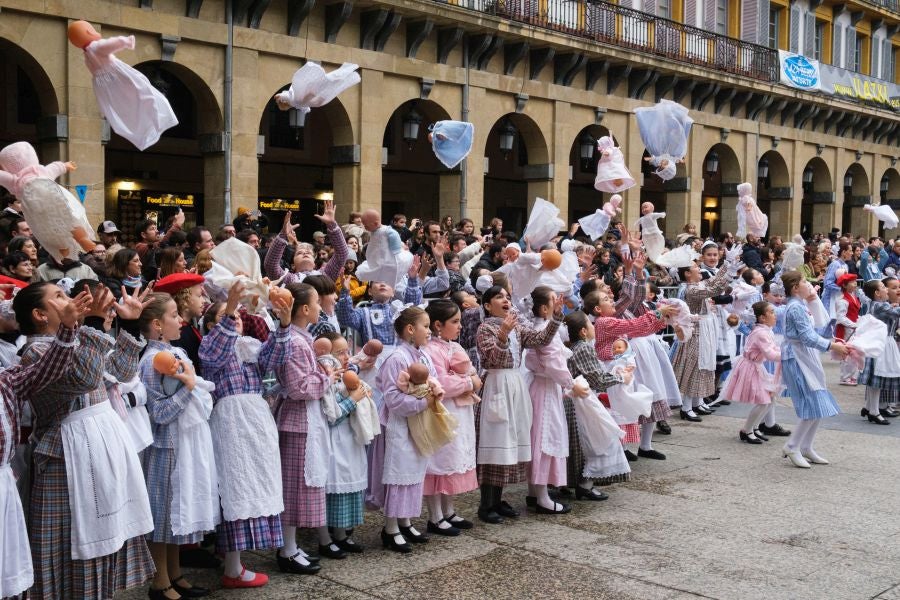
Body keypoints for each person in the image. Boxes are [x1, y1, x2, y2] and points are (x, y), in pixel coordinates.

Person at [20, 282, 156, 600]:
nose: (69, 299)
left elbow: (119, 373)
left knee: (102, 543)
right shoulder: (35, 351)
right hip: (67, 458)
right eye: (59, 296)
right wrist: (94, 323)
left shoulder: (80, 340)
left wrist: (131, 323)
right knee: (71, 546)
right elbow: (83, 379)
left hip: (98, 451)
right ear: (40, 315)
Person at [199, 282, 294, 588]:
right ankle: (232, 567)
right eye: (227, 317)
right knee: (236, 485)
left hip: (256, 419)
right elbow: (214, 354)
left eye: (238, 316)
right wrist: (226, 310)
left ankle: (236, 563)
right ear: (213, 325)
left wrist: (284, 322)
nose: (235, 319)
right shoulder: (211, 348)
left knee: (256, 484)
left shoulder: (250, 347)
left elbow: (277, 357)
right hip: (231, 421)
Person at [0, 292, 83, 600]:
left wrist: (68, 329)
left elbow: (46, 371)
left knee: (9, 564)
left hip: (4, 482)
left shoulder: (6, 379)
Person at [140, 292, 216, 599]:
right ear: (157, 324)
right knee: (162, 513)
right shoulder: (151, 361)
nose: (181, 319)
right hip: (164, 445)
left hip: (181, 442)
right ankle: (160, 582)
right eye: (174, 315)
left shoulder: (176, 352)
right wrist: (187, 389)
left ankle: (175, 573)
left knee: (174, 511)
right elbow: (158, 412)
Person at [475, 285, 562, 524]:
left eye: (507, 296)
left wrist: (554, 318)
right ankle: (486, 503)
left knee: (510, 441)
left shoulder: (517, 326)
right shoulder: (486, 328)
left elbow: (539, 339)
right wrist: (503, 334)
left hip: (515, 383)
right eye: (499, 297)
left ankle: (498, 499)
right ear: (487, 305)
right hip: (497, 383)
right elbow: (494, 358)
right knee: (495, 441)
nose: (505, 300)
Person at [273, 283, 332, 574]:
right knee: (294, 487)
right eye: (317, 303)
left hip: (304, 419)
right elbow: (298, 388)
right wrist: (327, 377)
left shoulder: (301, 338)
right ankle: (286, 549)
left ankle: (292, 545)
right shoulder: (295, 342)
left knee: (299, 486)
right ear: (305, 309)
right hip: (296, 420)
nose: (321, 307)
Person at [779, 271, 849, 468]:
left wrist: (813, 300)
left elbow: (819, 327)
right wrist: (833, 346)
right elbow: (808, 337)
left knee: (817, 401)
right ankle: (792, 445)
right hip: (797, 357)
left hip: (805, 355)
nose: (808, 284)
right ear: (795, 288)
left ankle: (806, 446)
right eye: (803, 282)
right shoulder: (795, 308)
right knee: (811, 402)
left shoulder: (800, 305)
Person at [422, 300, 480, 535]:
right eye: (454, 322)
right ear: (438, 325)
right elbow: (441, 381)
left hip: (459, 409)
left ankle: (449, 510)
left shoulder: (452, 346)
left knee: (453, 459)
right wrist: (468, 382)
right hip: (443, 410)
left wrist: (470, 377)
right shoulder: (430, 349)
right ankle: (435, 516)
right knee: (439, 461)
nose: (460, 326)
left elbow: (471, 370)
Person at [718, 301, 782, 444]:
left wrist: (783, 351)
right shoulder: (761, 333)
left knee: (770, 398)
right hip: (750, 367)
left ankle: (754, 428)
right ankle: (746, 430)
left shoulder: (764, 331)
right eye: (771, 312)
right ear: (762, 318)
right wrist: (788, 354)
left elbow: (773, 350)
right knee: (763, 400)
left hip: (756, 366)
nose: (775, 315)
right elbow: (771, 354)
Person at [264, 203, 348, 285]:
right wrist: (282, 235)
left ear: (315, 263)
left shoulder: (325, 274)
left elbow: (342, 254)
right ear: (293, 265)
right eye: (299, 253)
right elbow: (270, 265)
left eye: (309, 252)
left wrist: (332, 225)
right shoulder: (288, 279)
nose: (305, 253)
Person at [858, 277, 900, 424]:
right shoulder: (881, 306)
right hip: (881, 344)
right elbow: (896, 313)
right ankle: (874, 412)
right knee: (877, 380)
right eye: (883, 287)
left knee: (874, 380)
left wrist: (894, 306)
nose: (886, 289)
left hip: (879, 343)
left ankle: (869, 407)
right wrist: (896, 307)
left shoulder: (876, 304)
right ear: (877, 292)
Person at [833, 273, 860, 385]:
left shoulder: (853, 296)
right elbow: (840, 318)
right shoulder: (842, 300)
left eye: (855, 281)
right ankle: (845, 377)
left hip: (853, 328)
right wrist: (854, 325)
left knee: (854, 352)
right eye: (852, 282)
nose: (855, 284)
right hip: (846, 330)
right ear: (844, 285)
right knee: (846, 353)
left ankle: (852, 375)